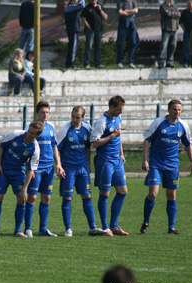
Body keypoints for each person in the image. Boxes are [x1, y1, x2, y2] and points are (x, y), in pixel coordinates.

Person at [140, 100, 192, 235]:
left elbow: (188, 144)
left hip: (172, 166)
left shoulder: (183, 125)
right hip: (156, 165)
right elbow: (147, 140)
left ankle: (171, 227)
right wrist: (145, 160)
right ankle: (146, 222)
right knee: (153, 194)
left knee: (171, 195)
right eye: (174, 109)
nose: (177, 112)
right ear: (169, 110)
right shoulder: (159, 123)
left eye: (179, 110)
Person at [56, 106, 106, 237]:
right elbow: (56, 148)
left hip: (83, 168)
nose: (74, 119)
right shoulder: (65, 130)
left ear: (83, 118)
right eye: (72, 116)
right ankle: (68, 229)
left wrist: (88, 164)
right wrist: (59, 165)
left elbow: (88, 147)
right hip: (68, 168)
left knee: (87, 196)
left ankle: (93, 227)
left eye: (77, 117)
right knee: (67, 197)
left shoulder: (87, 129)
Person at [0, 121, 42, 238]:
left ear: (37, 135)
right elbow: (1, 146)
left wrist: (24, 189)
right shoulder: (15, 134)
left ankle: (18, 230)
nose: (28, 134)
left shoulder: (35, 149)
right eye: (29, 131)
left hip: (18, 173)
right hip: (3, 170)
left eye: (32, 133)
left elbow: (30, 170)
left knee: (22, 199)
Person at [24, 102, 64, 237]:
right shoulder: (31, 127)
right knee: (32, 197)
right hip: (36, 168)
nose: (45, 115)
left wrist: (58, 163)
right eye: (43, 112)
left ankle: (43, 228)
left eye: (47, 112)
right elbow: (27, 147)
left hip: (49, 168)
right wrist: (29, 168)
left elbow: (54, 146)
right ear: (37, 113)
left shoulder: (51, 127)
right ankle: (28, 228)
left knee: (46, 198)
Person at [91, 96, 128, 236]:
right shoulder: (101, 122)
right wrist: (111, 136)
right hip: (105, 161)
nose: (121, 112)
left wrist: (121, 154)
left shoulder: (118, 119)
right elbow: (95, 143)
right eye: (119, 109)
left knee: (123, 191)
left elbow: (119, 137)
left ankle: (114, 226)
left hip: (117, 160)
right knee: (105, 193)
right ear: (111, 107)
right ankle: (106, 227)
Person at [81, 0, 107, 69]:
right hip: (91, 30)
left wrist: (100, 10)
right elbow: (83, 18)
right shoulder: (87, 8)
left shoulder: (99, 6)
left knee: (97, 47)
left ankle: (98, 63)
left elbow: (105, 17)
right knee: (88, 47)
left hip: (99, 30)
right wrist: (88, 27)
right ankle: (86, 63)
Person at [116, 0, 139, 69]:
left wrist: (125, 11)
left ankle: (131, 61)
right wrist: (131, 11)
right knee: (121, 43)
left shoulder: (133, 2)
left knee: (133, 42)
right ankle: (119, 61)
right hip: (123, 22)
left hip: (132, 22)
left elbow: (136, 11)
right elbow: (120, 12)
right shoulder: (120, 2)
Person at [158, 0, 181, 69]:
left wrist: (172, 13)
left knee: (173, 45)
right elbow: (167, 14)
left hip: (174, 28)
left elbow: (179, 14)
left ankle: (170, 62)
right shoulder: (162, 6)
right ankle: (161, 62)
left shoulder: (174, 6)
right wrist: (174, 13)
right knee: (164, 45)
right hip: (166, 28)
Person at [64, 0, 85, 69]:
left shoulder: (71, 8)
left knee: (72, 46)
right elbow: (82, 5)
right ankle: (70, 63)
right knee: (73, 47)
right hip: (73, 30)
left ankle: (69, 63)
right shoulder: (70, 8)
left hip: (74, 29)